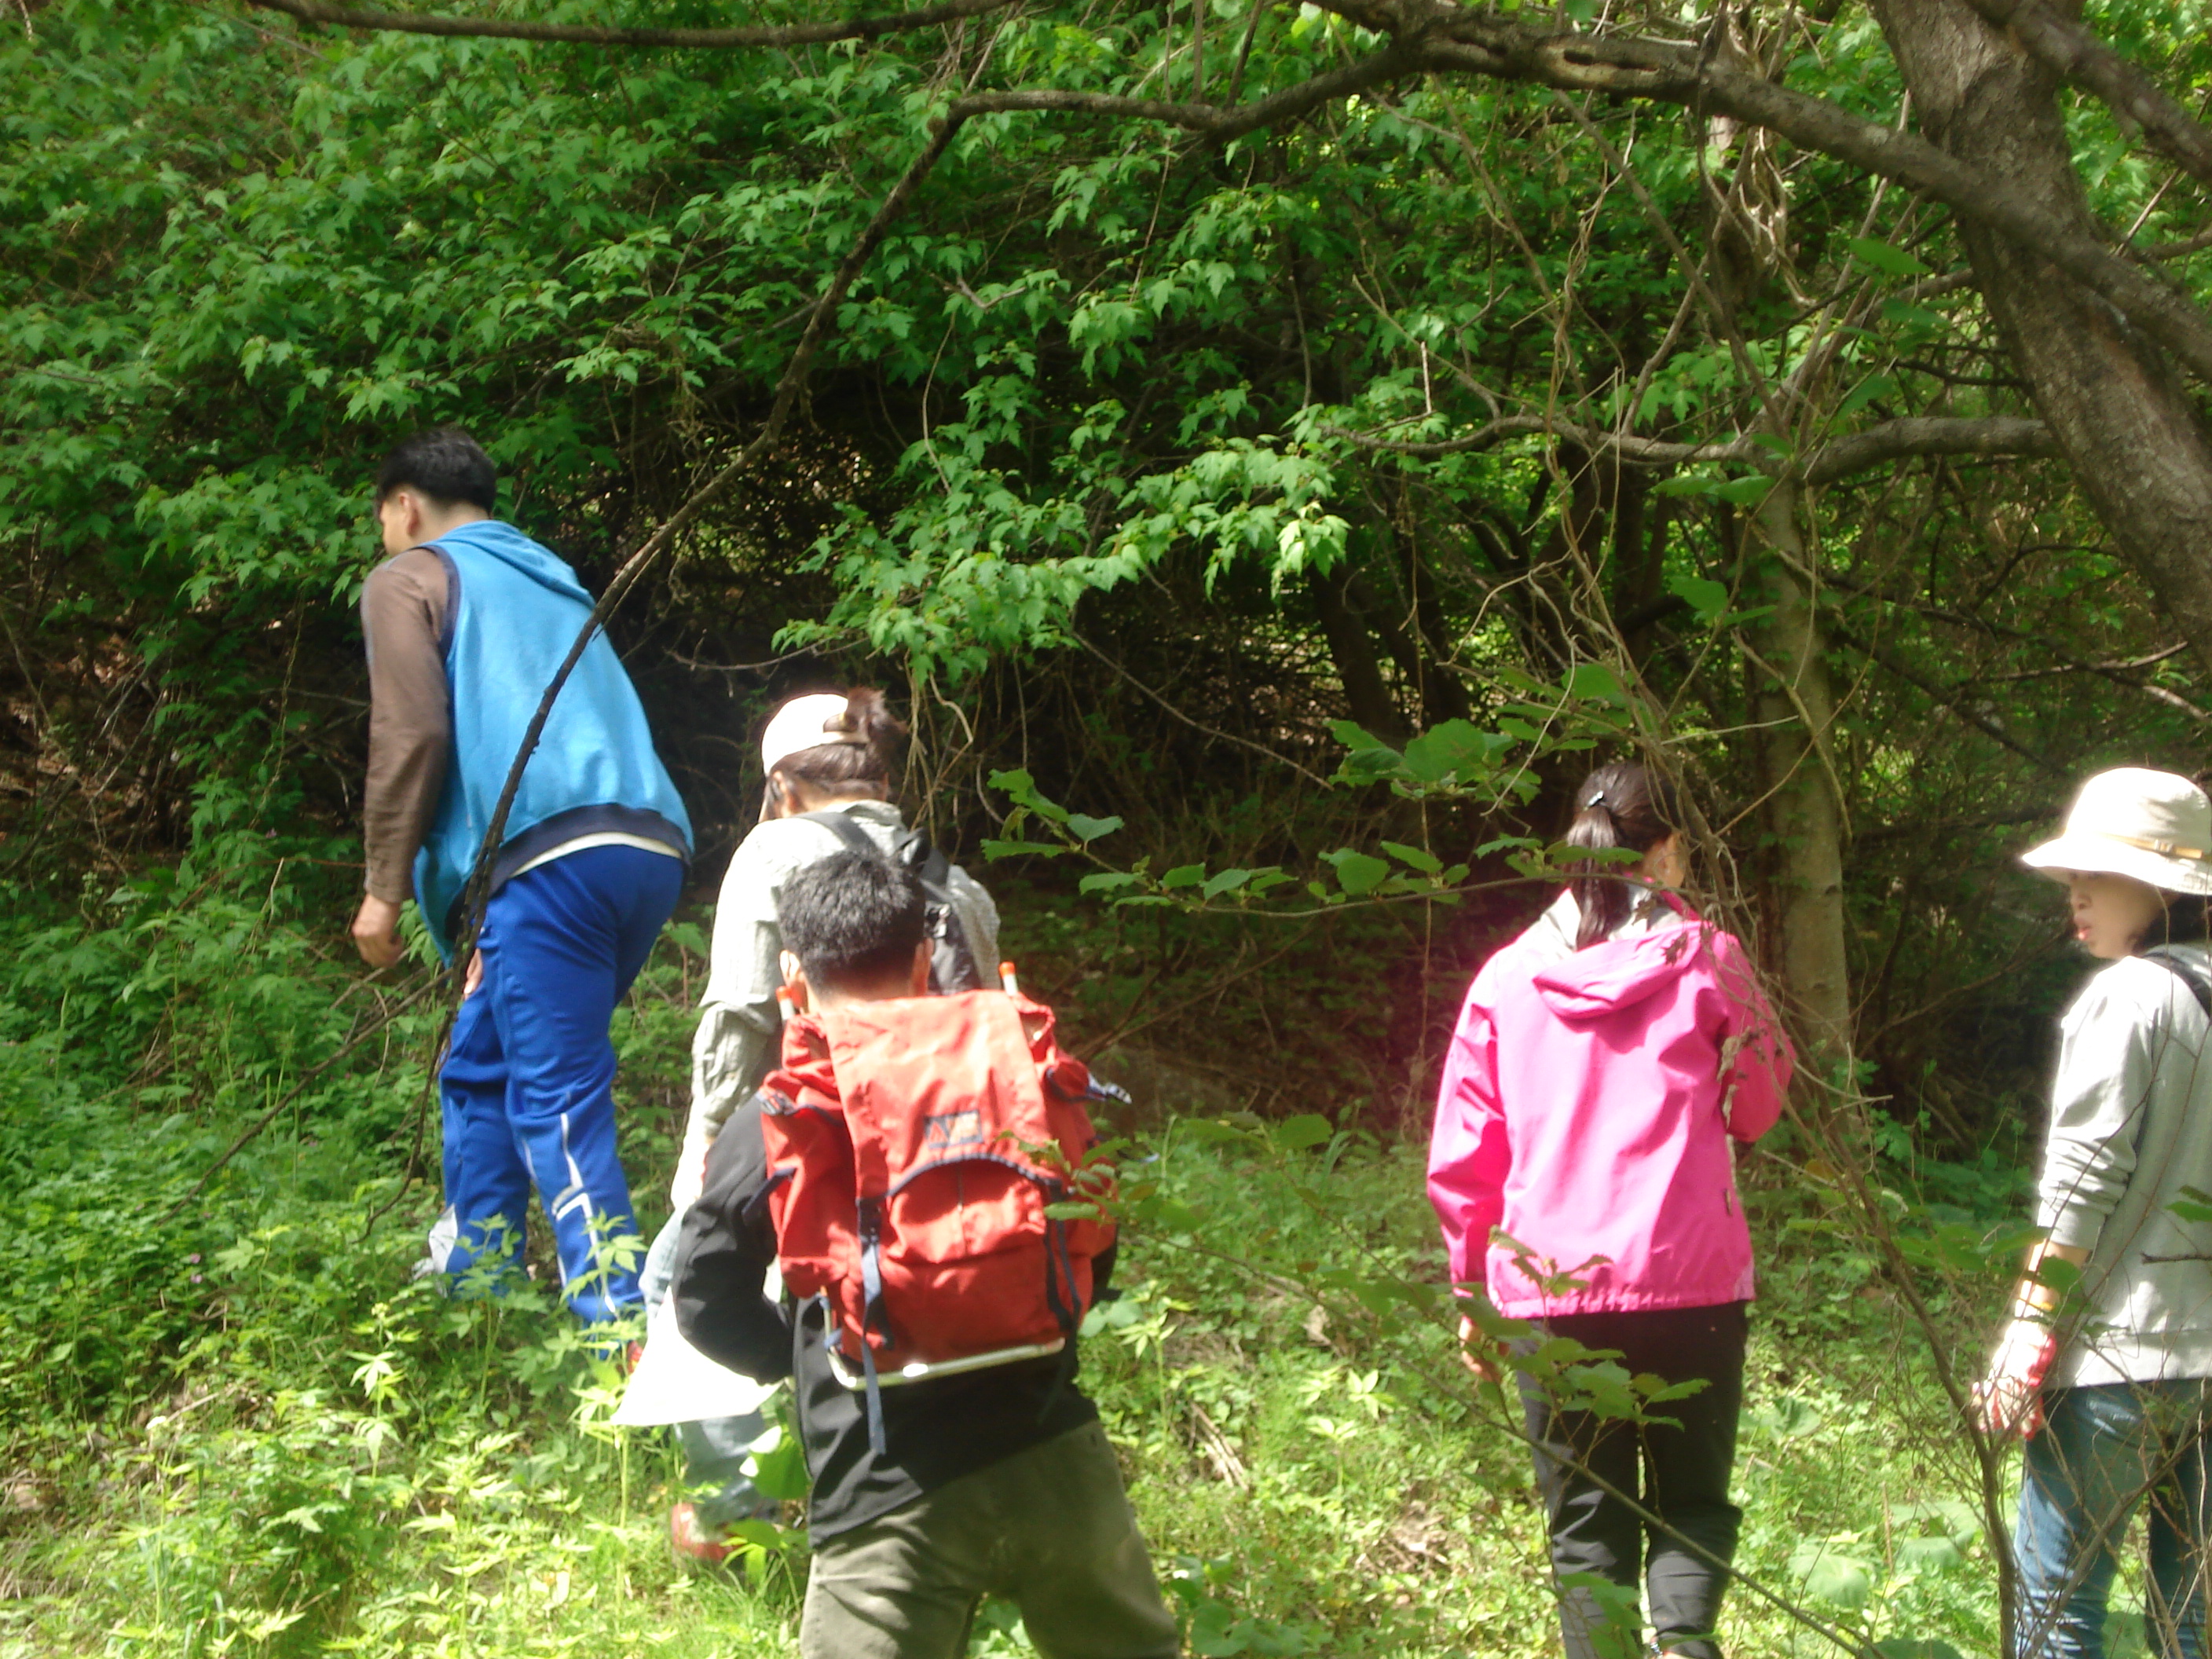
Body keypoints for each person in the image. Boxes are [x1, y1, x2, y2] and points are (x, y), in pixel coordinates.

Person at [669, 850, 1176, 1659]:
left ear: (791, 974)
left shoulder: (783, 1110)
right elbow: (1094, 1236)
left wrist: (789, 1361)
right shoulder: (1019, 1075)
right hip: (1054, 1453)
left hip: (880, 1482)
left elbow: (698, 1290)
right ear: (919, 961)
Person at [1426, 759, 1793, 1659]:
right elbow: (1758, 1108)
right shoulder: (1710, 959)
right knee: (1692, 1502)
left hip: (1547, 1295)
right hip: (1690, 1282)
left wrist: (1472, 1288)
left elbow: (1465, 1158)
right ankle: (1682, 1647)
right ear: (1662, 854)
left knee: (1585, 1525)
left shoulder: (1505, 980)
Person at [639, 688, 998, 1560]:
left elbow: (738, 1017)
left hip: (814, 1131)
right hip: (946, 1150)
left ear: (781, 788)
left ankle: (739, 1512)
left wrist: (708, 1148)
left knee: (674, 1273)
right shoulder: (954, 880)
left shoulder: (773, 852)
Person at [351, 426, 691, 1324]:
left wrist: (385, 889)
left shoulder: (409, 575)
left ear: (404, 506)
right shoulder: (547, 577)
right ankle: (483, 1279)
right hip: (645, 845)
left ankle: (620, 1335)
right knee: (479, 1061)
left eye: (384, 519)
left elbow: (412, 735)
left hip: (551, 856)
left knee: (556, 1096)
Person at [1979, 767, 2212, 1659]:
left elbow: (2079, 1190)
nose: (2073, 893)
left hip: (2118, 1359)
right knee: (2189, 1619)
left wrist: (2024, 1335)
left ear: (2159, 884)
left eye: (2095, 874)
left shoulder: (2128, 997)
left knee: (2055, 1609)